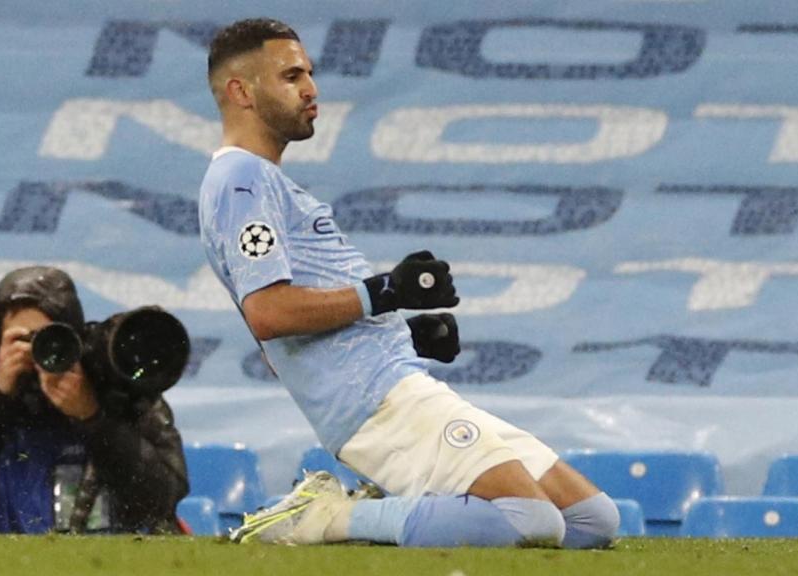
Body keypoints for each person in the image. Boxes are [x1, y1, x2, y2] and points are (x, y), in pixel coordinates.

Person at [199, 18, 619, 548]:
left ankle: (391, 509)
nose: (311, 88)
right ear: (241, 91)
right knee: (528, 520)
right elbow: (268, 313)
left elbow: (281, 336)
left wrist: (399, 332)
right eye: (290, 75)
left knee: (590, 521)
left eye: (308, 73)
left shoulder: (264, 181)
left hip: (394, 381)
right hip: (375, 404)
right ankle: (324, 517)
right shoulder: (241, 181)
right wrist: (386, 293)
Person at [0, 266, 189, 534]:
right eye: (24, 339)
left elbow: (160, 502)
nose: (40, 352)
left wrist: (93, 419)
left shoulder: (123, 400)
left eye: (51, 337)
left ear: (75, 338)